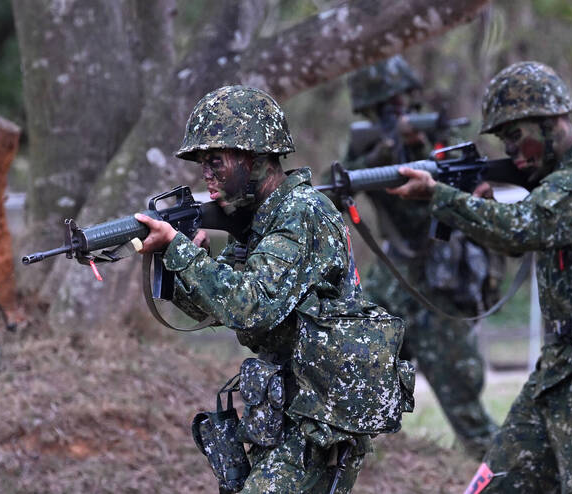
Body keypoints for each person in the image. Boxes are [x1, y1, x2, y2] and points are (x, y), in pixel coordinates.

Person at [388, 61, 572, 492]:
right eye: (505, 140)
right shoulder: (557, 180)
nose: (511, 152)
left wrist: (442, 196)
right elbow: (516, 239)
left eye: (514, 135)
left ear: (549, 122)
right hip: (558, 370)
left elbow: (525, 226)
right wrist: (475, 202)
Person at [136, 85, 412, 493]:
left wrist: (180, 251)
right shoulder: (258, 220)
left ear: (254, 158)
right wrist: (185, 264)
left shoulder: (300, 214)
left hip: (319, 419)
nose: (206, 173)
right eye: (201, 163)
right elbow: (216, 308)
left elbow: (251, 306)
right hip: (285, 409)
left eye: (216, 161)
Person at [340, 55, 498, 457]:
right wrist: (381, 154)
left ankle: (507, 474)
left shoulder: (436, 141)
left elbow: (457, 188)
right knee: (350, 370)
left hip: (438, 280)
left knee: (464, 404)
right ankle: (367, 463)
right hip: (393, 279)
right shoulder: (367, 143)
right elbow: (343, 179)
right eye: (388, 107)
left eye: (403, 102)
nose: (399, 111)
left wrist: (419, 148)